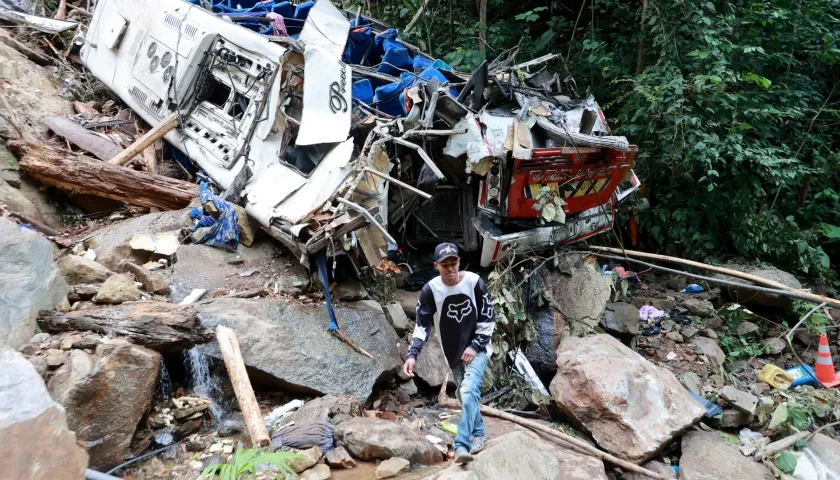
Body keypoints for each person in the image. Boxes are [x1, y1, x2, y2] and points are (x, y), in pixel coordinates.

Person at [402, 242, 496, 464]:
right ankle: (480, 433)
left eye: (453, 263)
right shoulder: (430, 291)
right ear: (436, 266)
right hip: (453, 352)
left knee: (469, 390)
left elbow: (488, 317)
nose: (450, 268)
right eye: (445, 265)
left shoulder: (474, 282)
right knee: (464, 396)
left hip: (478, 348)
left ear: (459, 262)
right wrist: (412, 354)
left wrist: (475, 346)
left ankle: (462, 445)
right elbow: (422, 326)